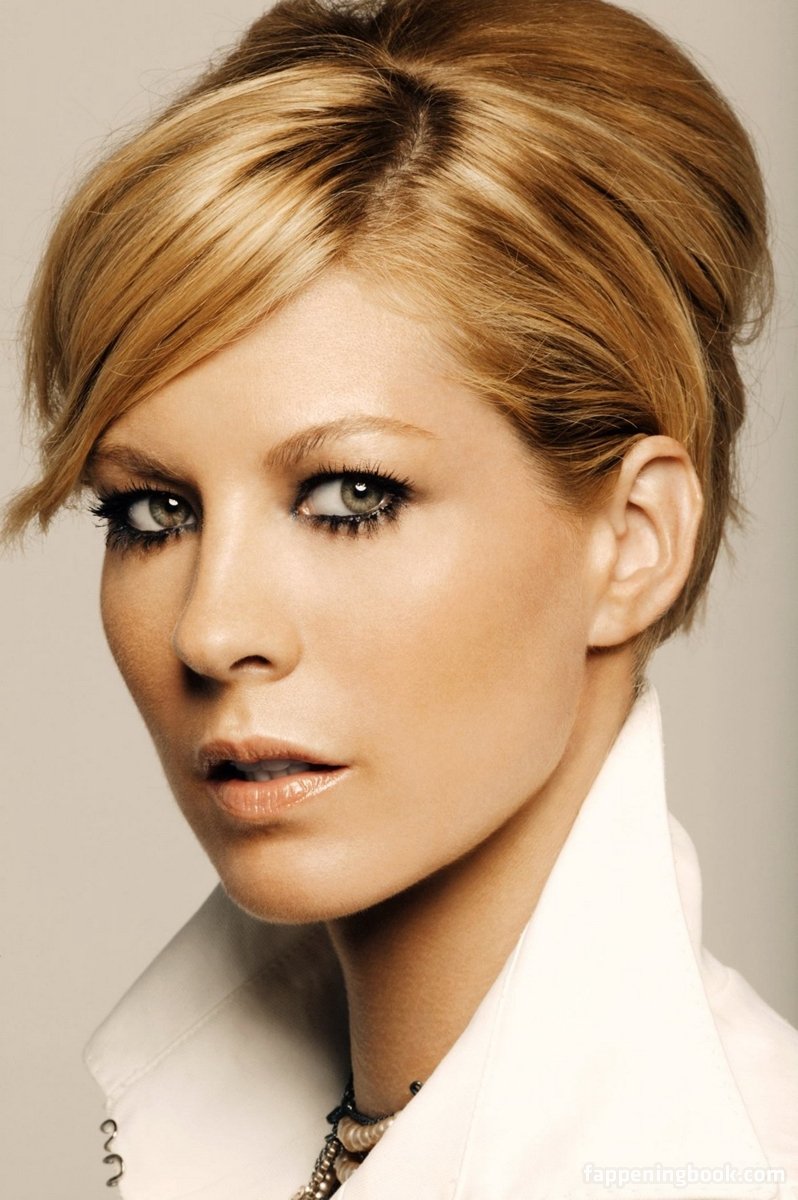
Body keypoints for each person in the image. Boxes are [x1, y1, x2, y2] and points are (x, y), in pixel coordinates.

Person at [5, 0, 797, 1197]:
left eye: (350, 496)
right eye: (152, 512)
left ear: (633, 543)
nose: (212, 631)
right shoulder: (218, 1124)